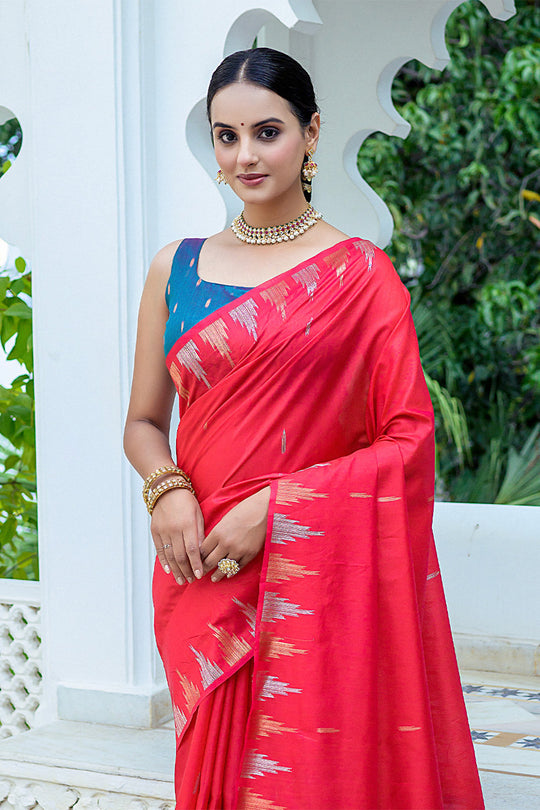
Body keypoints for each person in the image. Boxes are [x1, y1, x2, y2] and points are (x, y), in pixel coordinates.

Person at [124, 47, 484, 810]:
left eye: (267, 132)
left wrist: (280, 509)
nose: (245, 155)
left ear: (312, 133)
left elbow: (408, 439)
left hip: (308, 576)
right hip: (204, 569)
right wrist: (167, 491)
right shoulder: (175, 268)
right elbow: (144, 422)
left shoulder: (360, 276)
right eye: (227, 136)